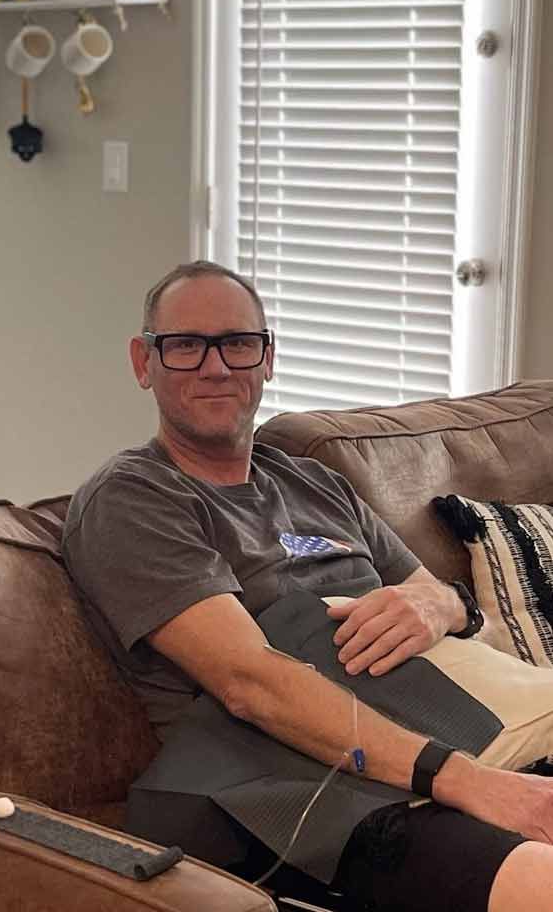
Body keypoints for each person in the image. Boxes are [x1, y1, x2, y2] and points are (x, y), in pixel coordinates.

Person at [62, 260, 553, 912]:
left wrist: (440, 602)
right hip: (295, 788)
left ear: (267, 359)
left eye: (237, 343)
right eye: (185, 346)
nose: (215, 367)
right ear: (143, 362)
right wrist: (462, 780)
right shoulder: (135, 497)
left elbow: (436, 596)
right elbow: (251, 683)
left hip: (450, 735)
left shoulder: (313, 483)